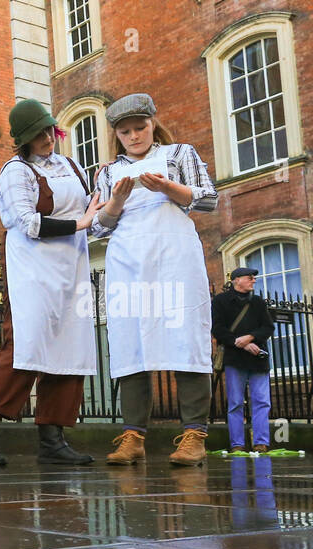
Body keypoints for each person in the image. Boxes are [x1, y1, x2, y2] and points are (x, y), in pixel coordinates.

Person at [0, 99, 103, 466]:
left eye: (49, 130)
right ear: (23, 139)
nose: (47, 138)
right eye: (38, 134)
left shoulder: (70, 165)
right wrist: (80, 224)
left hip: (70, 269)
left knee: (68, 348)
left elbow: (94, 215)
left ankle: (52, 438)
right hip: (32, 271)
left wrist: (112, 204)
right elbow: (26, 223)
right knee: (25, 347)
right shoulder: (15, 171)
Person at [90, 93, 219, 467]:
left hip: (175, 257)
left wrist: (166, 188)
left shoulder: (179, 154)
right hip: (128, 260)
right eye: (125, 131)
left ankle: (194, 435)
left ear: (152, 124)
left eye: (140, 128)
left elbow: (208, 199)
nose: (133, 136)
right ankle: (134, 436)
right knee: (131, 342)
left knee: (186, 337)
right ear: (116, 134)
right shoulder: (108, 172)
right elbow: (98, 228)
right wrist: (115, 200)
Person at [212, 266, 274, 453]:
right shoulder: (220, 301)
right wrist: (241, 343)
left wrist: (251, 337)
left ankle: (261, 442)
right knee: (235, 402)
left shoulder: (257, 302)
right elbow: (218, 329)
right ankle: (237, 444)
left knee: (262, 401)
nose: (253, 281)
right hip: (234, 358)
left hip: (258, 359)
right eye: (250, 278)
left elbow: (268, 328)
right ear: (236, 280)